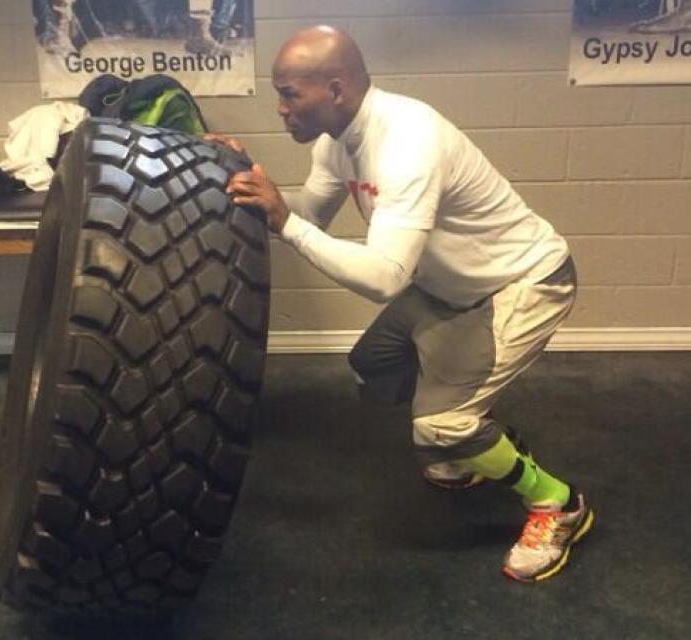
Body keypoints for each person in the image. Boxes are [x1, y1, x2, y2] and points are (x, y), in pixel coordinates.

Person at [216, 25, 595, 583]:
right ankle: (477, 439)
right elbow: (306, 214)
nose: (280, 109)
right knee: (378, 365)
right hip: (450, 288)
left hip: (523, 282)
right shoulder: (336, 141)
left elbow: (384, 278)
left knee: (439, 428)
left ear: (337, 90)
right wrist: (246, 179)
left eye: (290, 94)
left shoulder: (407, 143)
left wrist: (286, 222)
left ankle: (557, 504)